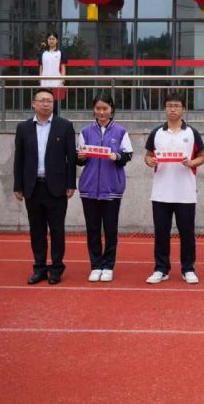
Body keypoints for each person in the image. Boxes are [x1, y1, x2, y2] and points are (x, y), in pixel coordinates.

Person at [13, 87, 77, 285]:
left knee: (57, 230)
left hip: (56, 187)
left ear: (53, 104)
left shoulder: (64, 126)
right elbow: (19, 159)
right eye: (41, 100)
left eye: (49, 101)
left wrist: (71, 184)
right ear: (33, 103)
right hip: (33, 187)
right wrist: (18, 186)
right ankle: (39, 268)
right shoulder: (23, 128)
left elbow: (71, 158)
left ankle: (56, 269)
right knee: (37, 231)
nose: (46, 104)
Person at [143, 93, 204, 285]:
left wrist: (192, 162)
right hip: (161, 192)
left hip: (185, 192)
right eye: (169, 105)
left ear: (183, 109)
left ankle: (188, 269)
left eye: (177, 105)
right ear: (165, 108)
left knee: (187, 233)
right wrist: (149, 161)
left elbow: (203, 156)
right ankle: (161, 269)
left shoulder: (192, 133)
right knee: (161, 233)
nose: (173, 109)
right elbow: (148, 155)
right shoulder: (157, 133)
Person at [76, 94, 133, 283]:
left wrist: (117, 157)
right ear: (94, 110)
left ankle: (108, 266)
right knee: (92, 230)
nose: (101, 112)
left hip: (112, 188)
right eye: (98, 108)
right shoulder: (85, 131)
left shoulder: (121, 131)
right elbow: (79, 159)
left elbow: (128, 155)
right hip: (89, 188)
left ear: (111, 109)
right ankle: (95, 265)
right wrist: (81, 157)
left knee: (110, 230)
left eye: (105, 108)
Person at [38, 31, 67, 116]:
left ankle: (55, 121)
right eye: (50, 39)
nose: (51, 40)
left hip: (57, 83)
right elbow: (41, 67)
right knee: (44, 104)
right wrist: (40, 79)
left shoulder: (60, 53)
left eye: (53, 39)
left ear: (57, 40)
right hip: (45, 83)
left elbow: (63, 67)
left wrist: (63, 80)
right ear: (47, 40)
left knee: (55, 105)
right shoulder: (43, 53)